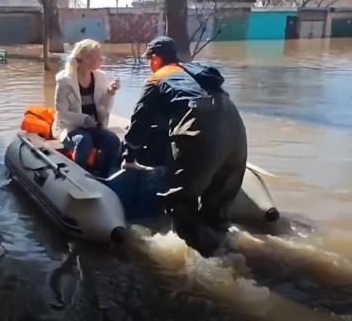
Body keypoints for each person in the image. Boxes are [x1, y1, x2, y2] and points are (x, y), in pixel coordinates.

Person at [120, 36, 247, 257]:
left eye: (150, 59)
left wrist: (129, 154)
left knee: (181, 203)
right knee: (217, 207)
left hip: (201, 133)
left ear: (156, 59)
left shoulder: (157, 79)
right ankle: (224, 247)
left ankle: (204, 264)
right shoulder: (195, 71)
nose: (150, 65)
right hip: (236, 131)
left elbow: (140, 121)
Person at [52, 39, 121, 178]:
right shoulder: (65, 81)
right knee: (85, 141)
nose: (101, 58)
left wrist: (110, 92)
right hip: (70, 128)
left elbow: (103, 106)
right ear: (86, 59)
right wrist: (84, 120)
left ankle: (104, 175)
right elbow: (62, 114)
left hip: (95, 127)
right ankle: (78, 177)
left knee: (113, 140)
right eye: (97, 55)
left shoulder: (100, 77)